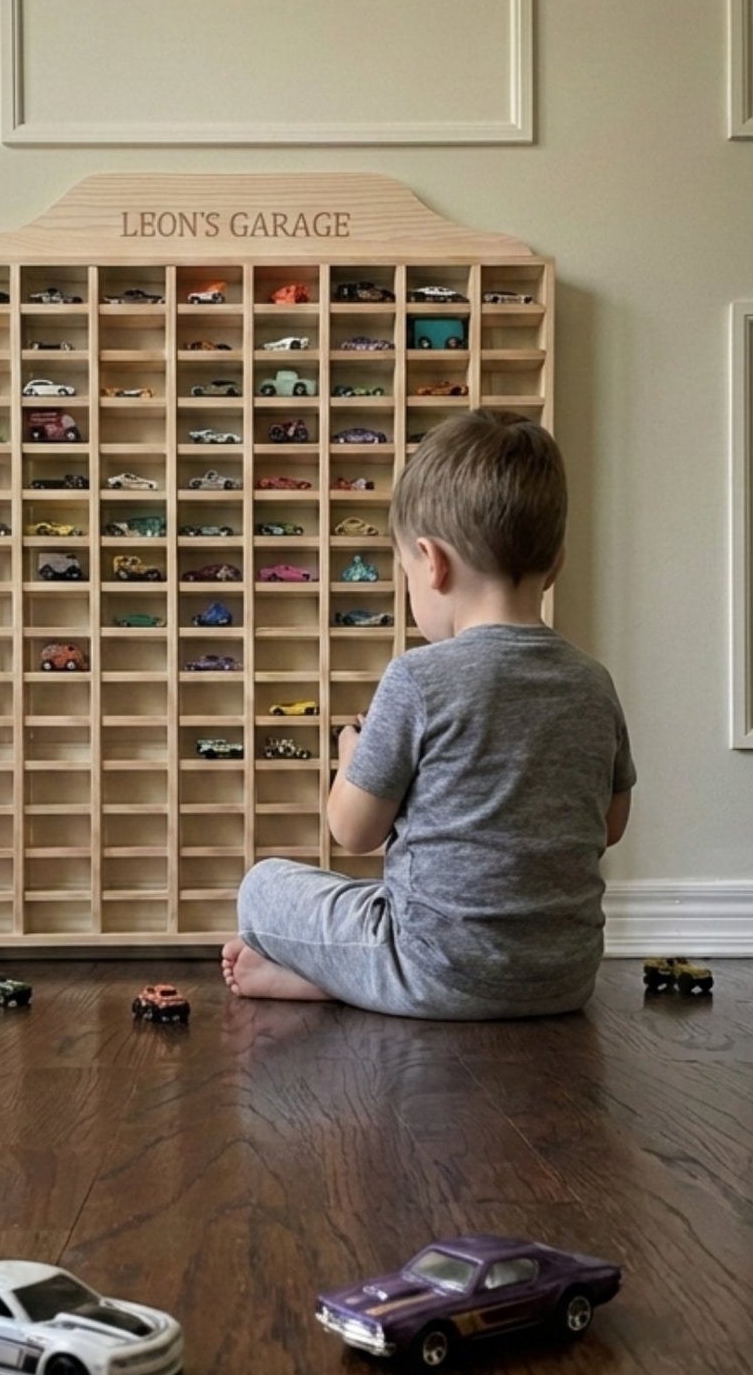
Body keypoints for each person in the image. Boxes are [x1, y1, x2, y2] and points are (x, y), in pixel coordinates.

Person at [221, 411, 635, 1018]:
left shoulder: (417, 678)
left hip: (432, 968)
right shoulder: (593, 683)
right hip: (563, 976)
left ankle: (343, 977)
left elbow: (354, 832)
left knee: (263, 886)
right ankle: (349, 976)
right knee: (388, 897)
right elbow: (610, 826)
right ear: (556, 564)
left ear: (431, 562)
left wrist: (351, 761)